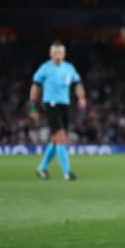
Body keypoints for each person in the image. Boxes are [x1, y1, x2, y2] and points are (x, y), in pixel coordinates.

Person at [30, 41, 86, 181]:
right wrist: (32, 107)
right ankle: (67, 173)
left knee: (56, 140)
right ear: (50, 54)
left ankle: (41, 168)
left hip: (65, 105)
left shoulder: (69, 68)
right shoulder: (45, 68)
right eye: (55, 52)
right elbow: (35, 87)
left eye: (61, 52)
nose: (58, 55)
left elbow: (77, 83)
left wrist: (81, 97)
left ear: (64, 53)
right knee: (61, 138)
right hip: (51, 105)